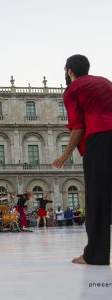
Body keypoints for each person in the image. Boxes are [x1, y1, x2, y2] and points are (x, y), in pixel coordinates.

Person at [53, 54, 112, 265]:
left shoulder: (73, 89)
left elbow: (78, 127)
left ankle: (94, 255)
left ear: (69, 71)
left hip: (99, 138)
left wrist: (65, 154)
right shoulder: (105, 82)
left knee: (97, 198)